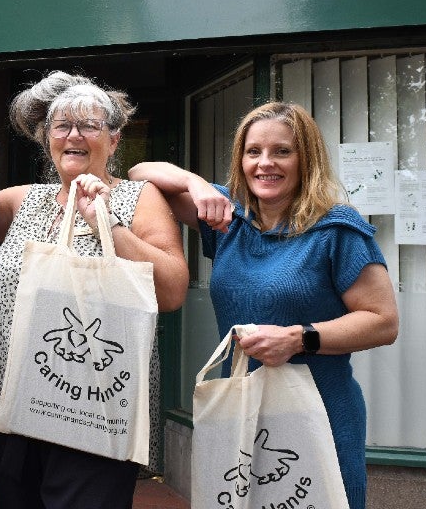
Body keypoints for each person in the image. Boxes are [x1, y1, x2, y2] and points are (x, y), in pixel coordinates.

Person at [129, 101, 399, 508]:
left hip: (318, 411)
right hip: (242, 410)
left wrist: (299, 338)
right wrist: (197, 184)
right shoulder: (226, 218)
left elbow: (383, 321)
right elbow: (140, 173)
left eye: (282, 152)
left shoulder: (338, 229)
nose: (265, 163)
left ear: (306, 159)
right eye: (253, 151)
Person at [0, 70, 191, 509]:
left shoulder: (138, 198)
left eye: (89, 125)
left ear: (114, 138)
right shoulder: (19, 200)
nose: (74, 135)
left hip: (94, 405)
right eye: (62, 125)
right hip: (10, 402)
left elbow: (171, 292)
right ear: (46, 137)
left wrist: (106, 223)